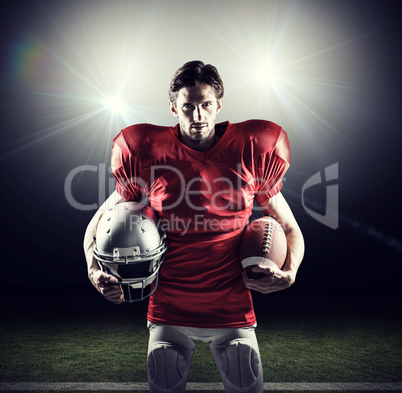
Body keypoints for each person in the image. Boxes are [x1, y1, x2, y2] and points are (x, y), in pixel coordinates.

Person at [83, 60, 304, 393]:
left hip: (232, 307)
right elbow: (98, 222)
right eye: (188, 106)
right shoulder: (147, 152)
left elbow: (289, 227)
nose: (197, 115)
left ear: (218, 106)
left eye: (205, 105)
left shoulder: (251, 150)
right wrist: (92, 270)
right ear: (173, 108)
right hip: (169, 306)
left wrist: (291, 272)